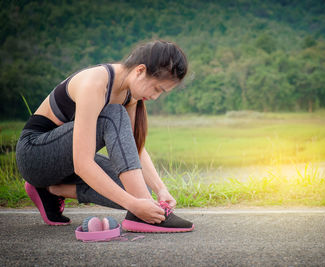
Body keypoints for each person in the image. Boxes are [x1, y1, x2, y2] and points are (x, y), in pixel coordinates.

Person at [15, 40, 194, 233]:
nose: (155, 97)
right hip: (34, 156)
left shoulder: (130, 95)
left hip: (62, 166)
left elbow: (133, 150)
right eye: (157, 88)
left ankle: (51, 189)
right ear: (140, 70)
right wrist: (134, 205)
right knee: (114, 115)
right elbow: (82, 164)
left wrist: (160, 189)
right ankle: (141, 217)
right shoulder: (95, 83)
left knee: (140, 191)